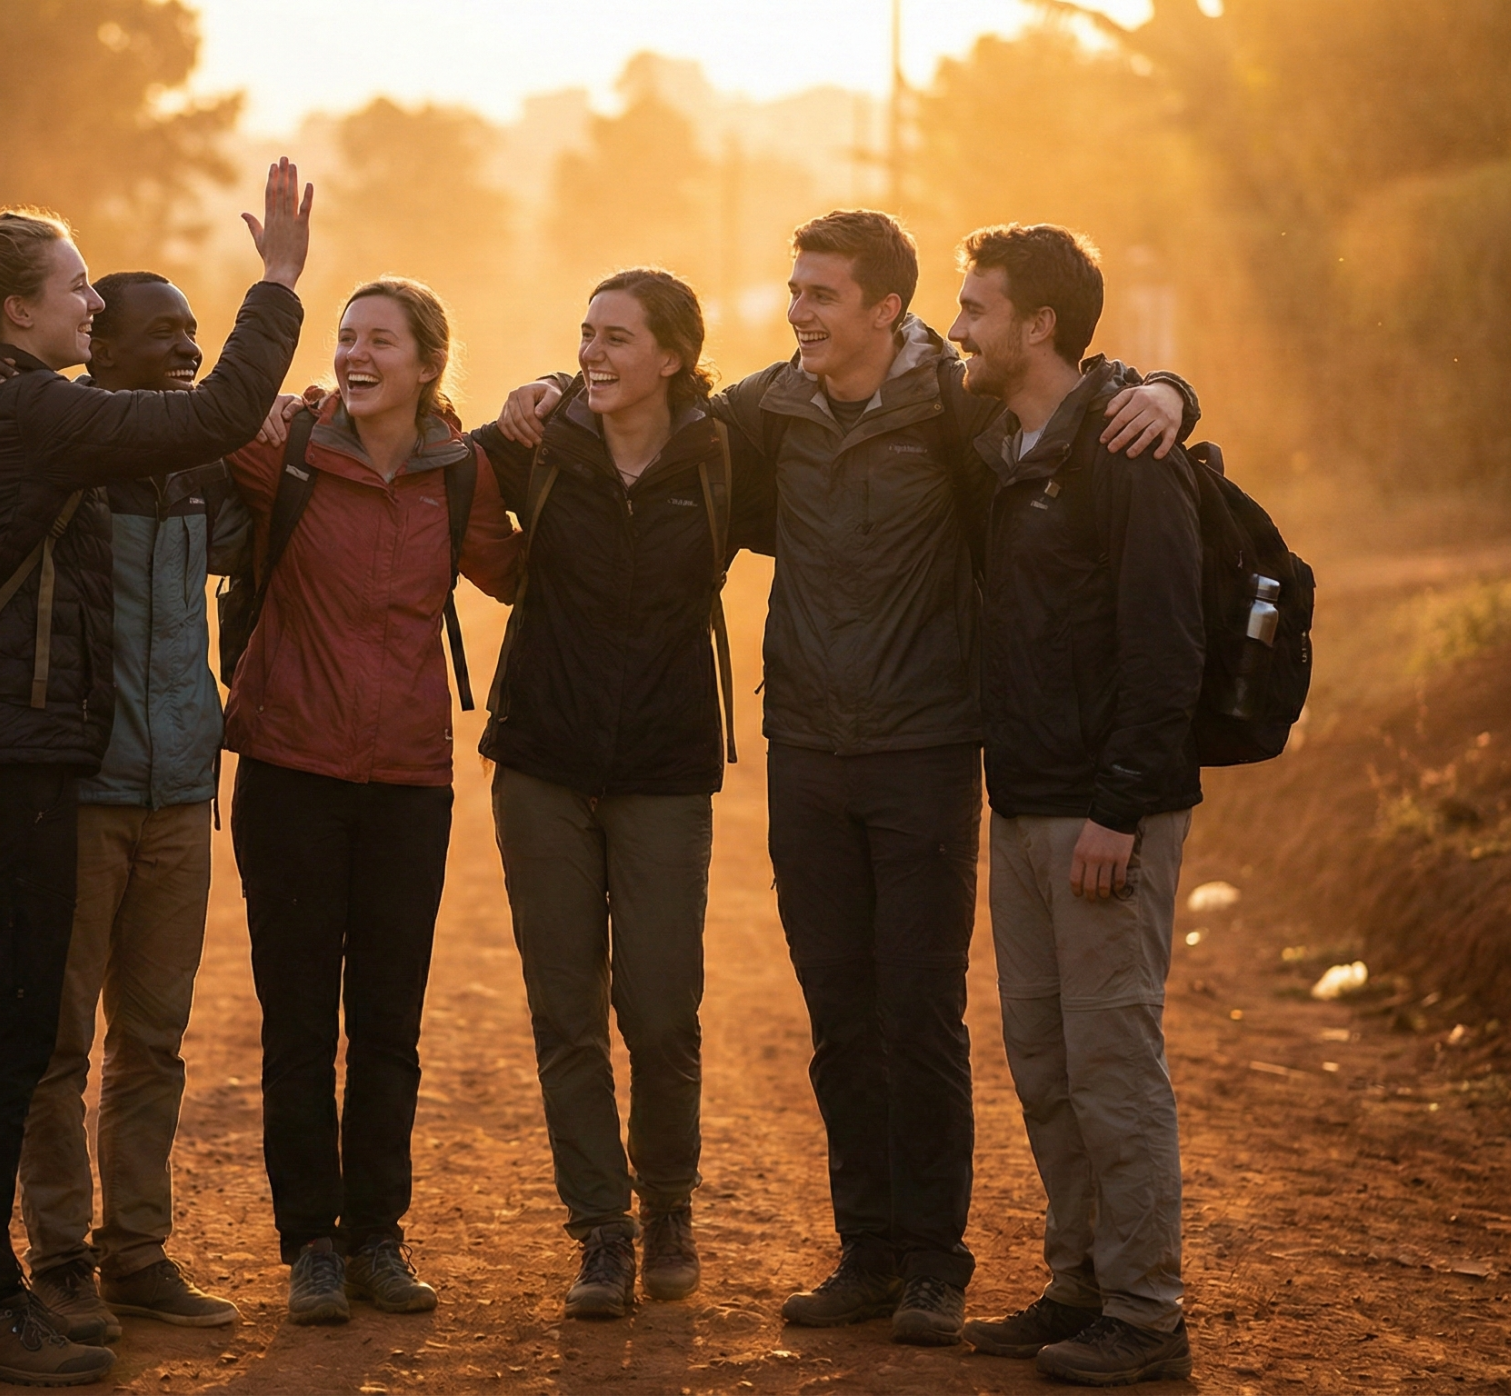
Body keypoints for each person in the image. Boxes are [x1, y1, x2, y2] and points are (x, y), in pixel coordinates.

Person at [496, 209, 1196, 1347]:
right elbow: (640, 393)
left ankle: (933, 1262)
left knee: (917, 1016)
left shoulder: (957, 405)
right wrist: (542, 382)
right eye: (794, 291)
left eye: (820, 295)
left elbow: (1069, 398)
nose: (797, 312)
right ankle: (865, 1253)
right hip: (807, 751)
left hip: (924, 749)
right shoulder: (763, 413)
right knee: (838, 1017)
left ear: (887, 308)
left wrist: (1168, 388)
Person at [0, 162, 309, 1388]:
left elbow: (229, 459)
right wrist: (275, 284)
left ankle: (57, 1273)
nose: (88, 305)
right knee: (16, 1041)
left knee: (33, 1038)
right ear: (26, 316)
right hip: (32, 772)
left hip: (71, 772)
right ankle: (4, 1289)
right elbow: (217, 411)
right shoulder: (42, 421)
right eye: (77, 288)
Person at [467, 269, 767, 1319]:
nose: (593, 353)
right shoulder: (536, 443)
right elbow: (426, 458)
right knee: (565, 1011)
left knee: (660, 1006)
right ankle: (601, 1227)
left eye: (617, 338)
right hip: (541, 759)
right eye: (584, 335)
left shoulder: (729, 455)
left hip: (666, 765)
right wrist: (532, 388)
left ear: (674, 358)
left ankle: (669, 1203)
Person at [220, 277, 521, 1325]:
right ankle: (310, 1241)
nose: (356, 353)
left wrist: (554, 429)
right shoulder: (288, 452)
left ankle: (377, 1238)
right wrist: (256, 384)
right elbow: (198, 427)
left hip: (408, 779)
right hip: (287, 770)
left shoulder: (460, 472)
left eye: (379, 340)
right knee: (299, 1022)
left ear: (428, 365)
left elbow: (518, 574)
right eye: (346, 337)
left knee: (388, 1025)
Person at [947, 223, 1202, 1387]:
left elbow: (1166, 657)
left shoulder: (1126, 451)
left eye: (975, 310)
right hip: (1021, 804)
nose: (958, 331)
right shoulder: (994, 437)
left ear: (1036, 324)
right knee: (1045, 1064)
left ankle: (1147, 1315)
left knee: (1110, 1065)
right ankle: (1078, 1287)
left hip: (1106, 816)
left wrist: (1119, 810)